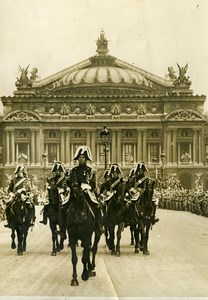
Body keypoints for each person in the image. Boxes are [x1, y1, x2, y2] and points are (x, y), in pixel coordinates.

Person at [69, 145, 104, 234]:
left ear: (86, 159)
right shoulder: (73, 170)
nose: (81, 159)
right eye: (80, 157)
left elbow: (93, 184)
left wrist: (87, 188)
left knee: (97, 206)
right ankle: (62, 228)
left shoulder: (91, 170)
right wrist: (74, 188)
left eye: (83, 157)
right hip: (76, 193)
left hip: (87, 193)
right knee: (63, 206)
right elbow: (70, 182)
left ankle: (99, 226)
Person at [4, 164, 35, 228]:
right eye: (18, 172)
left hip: (24, 195)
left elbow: (29, 188)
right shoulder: (13, 180)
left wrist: (22, 189)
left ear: (23, 173)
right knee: (8, 205)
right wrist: (10, 193)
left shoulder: (26, 180)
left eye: (20, 172)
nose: (19, 173)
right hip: (14, 195)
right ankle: (9, 221)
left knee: (31, 205)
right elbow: (9, 189)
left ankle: (31, 220)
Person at [39, 161, 69, 225]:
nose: (57, 172)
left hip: (61, 194)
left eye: (58, 170)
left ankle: (67, 219)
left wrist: (62, 189)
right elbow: (49, 185)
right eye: (56, 171)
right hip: (53, 194)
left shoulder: (63, 179)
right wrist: (48, 187)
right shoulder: (52, 179)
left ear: (61, 171)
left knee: (65, 204)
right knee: (46, 205)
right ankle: (44, 219)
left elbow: (65, 186)